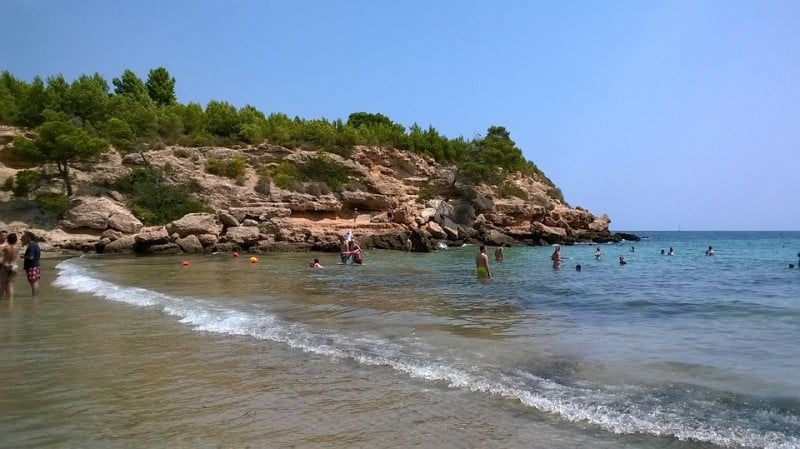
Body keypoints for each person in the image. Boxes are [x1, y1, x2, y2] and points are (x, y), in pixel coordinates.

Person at [1, 233, 21, 301]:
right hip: (14, 266)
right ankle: (10, 301)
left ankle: (1, 301)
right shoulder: (18, 247)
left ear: (8, 239)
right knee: (10, 285)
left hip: (6, 265)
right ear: (15, 240)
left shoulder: (6, 247)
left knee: (3, 285)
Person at [22, 232, 41, 296]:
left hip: (32, 266)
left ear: (29, 237)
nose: (24, 238)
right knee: (35, 281)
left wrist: (24, 256)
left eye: (25, 237)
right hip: (36, 265)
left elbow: (31, 257)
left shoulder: (31, 245)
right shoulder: (36, 245)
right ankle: (36, 296)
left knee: (33, 282)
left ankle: (34, 296)